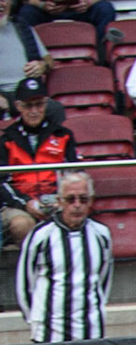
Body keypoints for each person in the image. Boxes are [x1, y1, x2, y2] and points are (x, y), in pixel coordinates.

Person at [15, 169, 111, 342]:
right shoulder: (41, 235)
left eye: (83, 199)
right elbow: (25, 282)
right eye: (70, 199)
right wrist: (35, 320)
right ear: (59, 202)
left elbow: (103, 280)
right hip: (49, 331)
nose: (77, 205)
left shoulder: (101, 234)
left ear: (91, 202)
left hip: (91, 330)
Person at [0, 76, 76, 245]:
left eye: (39, 104)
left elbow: (74, 174)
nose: (34, 110)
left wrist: (62, 199)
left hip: (57, 200)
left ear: (46, 103)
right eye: (28, 105)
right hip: (19, 204)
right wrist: (25, 203)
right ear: (18, 106)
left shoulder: (62, 135)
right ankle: (33, 268)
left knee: (72, 215)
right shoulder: (7, 140)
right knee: (21, 224)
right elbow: (2, 182)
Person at [0, 0, 50, 116]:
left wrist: (43, 65)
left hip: (29, 91)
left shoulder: (22, 27)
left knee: (54, 109)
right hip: (2, 94)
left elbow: (49, 59)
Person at [12, 0, 111, 54]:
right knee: (26, 13)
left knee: (105, 8)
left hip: (82, 10)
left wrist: (88, 3)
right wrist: (42, 5)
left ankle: (99, 55)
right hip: (45, 10)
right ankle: (33, 57)